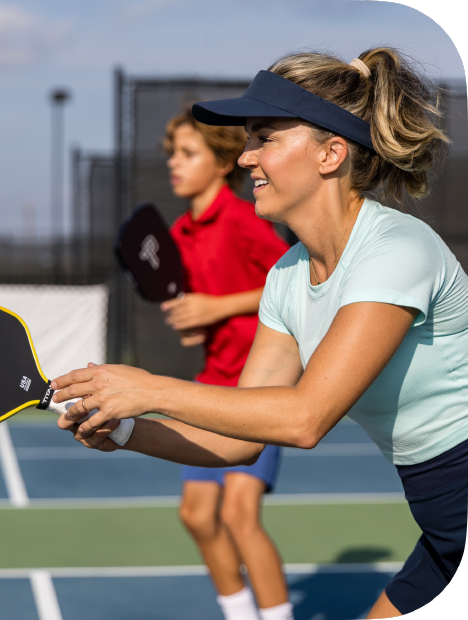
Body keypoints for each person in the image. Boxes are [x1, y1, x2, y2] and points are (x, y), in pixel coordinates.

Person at [54, 48, 459, 619]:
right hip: (444, 529)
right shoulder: (287, 278)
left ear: (331, 153)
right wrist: (124, 430)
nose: (245, 158)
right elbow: (238, 441)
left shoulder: (396, 250)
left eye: (264, 137)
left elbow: (304, 418)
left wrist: (150, 388)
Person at [162, 109, 291, 620]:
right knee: (196, 515)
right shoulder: (181, 231)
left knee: (239, 515)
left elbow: (289, 286)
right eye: (171, 152)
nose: (174, 162)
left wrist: (217, 307)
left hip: (260, 385)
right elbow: (201, 302)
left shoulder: (245, 219)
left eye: (187, 153)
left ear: (221, 163)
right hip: (213, 380)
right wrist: (198, 322)